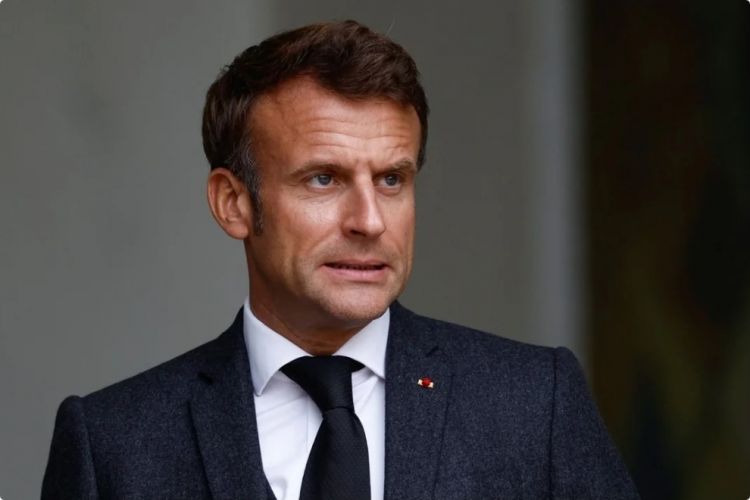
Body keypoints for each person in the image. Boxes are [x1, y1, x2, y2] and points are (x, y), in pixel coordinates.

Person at [42, 20, 639, 499]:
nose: (369, 221)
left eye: (391, 179)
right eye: (323, 179)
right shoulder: (114, 445)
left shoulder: (534, 404)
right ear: (233, 204)